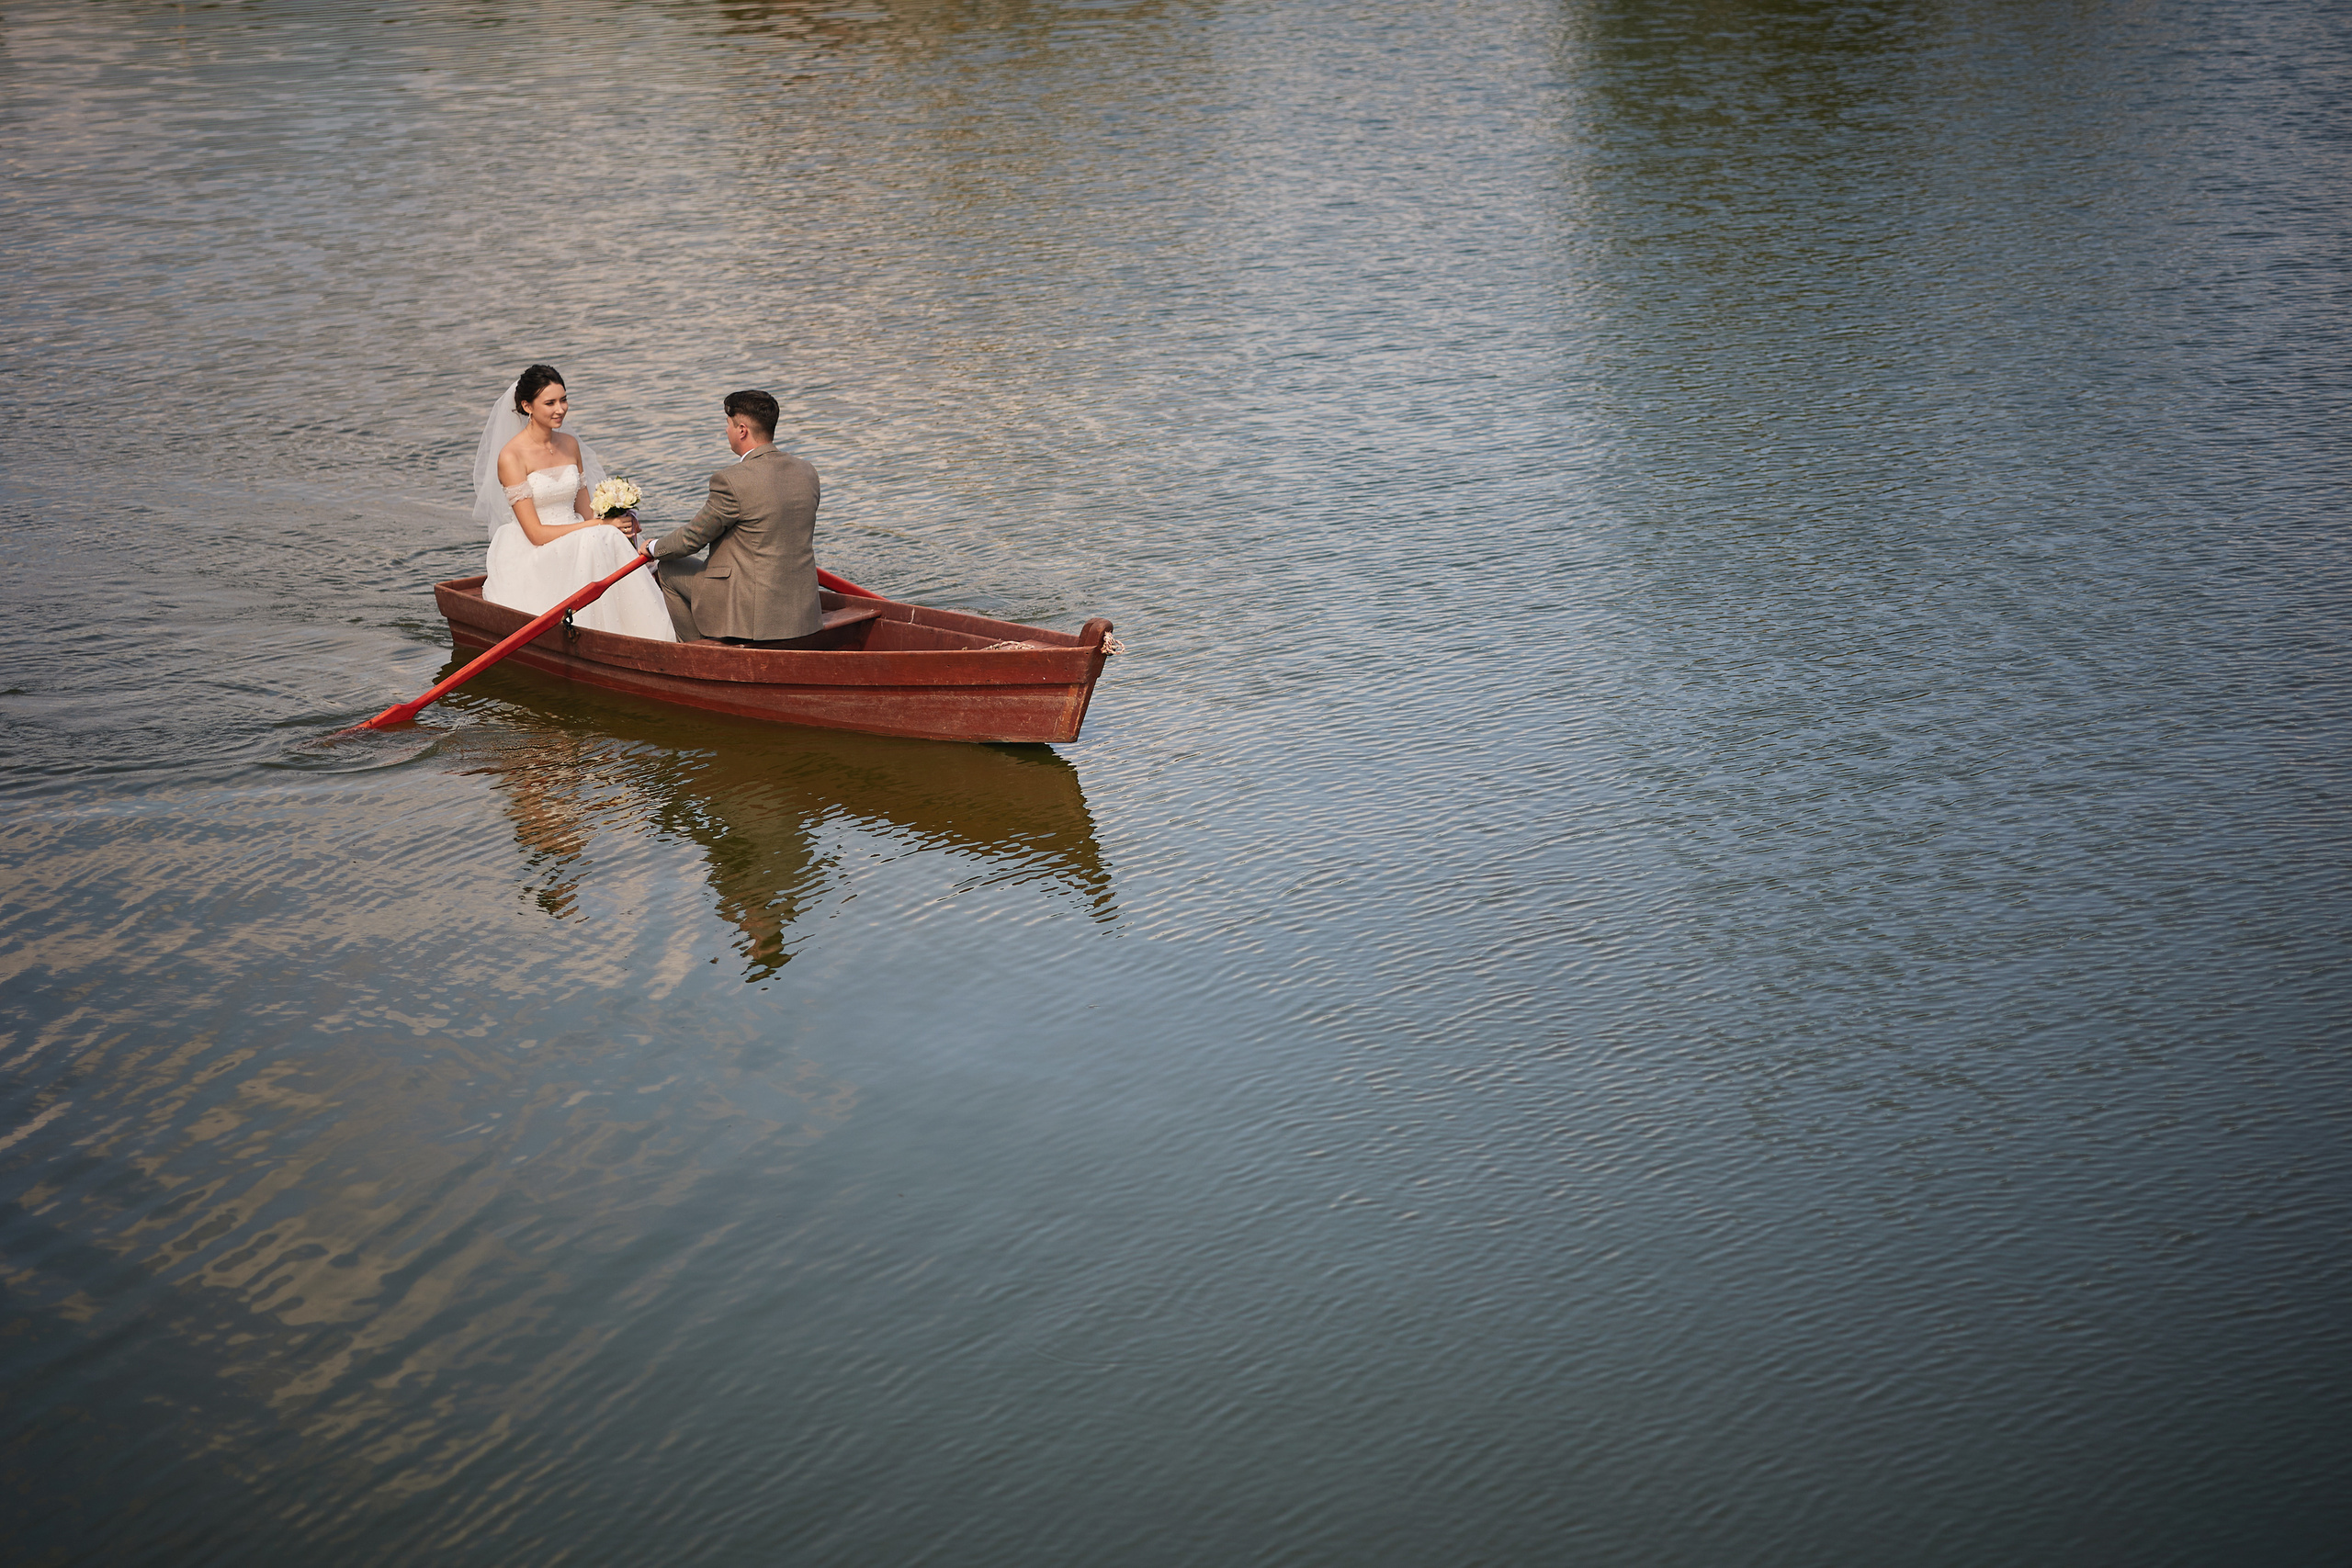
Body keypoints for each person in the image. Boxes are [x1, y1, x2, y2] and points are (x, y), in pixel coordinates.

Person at [472, 365, 675, 641]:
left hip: (578, 532)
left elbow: (585, 511)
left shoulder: (569, 444)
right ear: (526, 406)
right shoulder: (512, 457)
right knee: (594, 538)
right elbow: (535, 534)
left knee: (605, 537)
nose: (560, 409)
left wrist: (617, 520)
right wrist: (599, 525)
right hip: (534, 547)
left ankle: (645, 635)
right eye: (550, 403)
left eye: (564, 399)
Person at [646, 389, 823, 644]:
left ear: (742, 430)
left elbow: (692, 539)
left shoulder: (731, 481)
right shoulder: (807, 472)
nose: (725, 431)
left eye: (727, 424)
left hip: (755, 612)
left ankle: (698, 653)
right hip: (804, 609)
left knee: (668, 568)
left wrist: (653, 548)